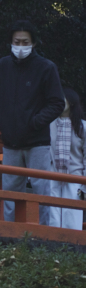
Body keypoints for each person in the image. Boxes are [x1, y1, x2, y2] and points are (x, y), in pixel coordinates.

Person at [0, 19, 64, 225]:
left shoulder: (46, 67)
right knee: (10, 194)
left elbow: (57, 102)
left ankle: (43, 237)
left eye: (25, 42)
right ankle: (9, 238)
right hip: (10, 141)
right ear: (11, 42)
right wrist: (1, 120)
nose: (20, 46)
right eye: (17, 41)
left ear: (33, 43)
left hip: (38, 141)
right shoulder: (2, 65)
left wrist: (35, 122)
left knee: (41, 192)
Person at [50, 87, 86, 230]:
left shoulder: (83, 127)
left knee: (72, 219)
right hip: (51, 176)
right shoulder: (48, 124)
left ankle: (72, 250)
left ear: (71, 102)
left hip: (75, 178)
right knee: (52, 218)